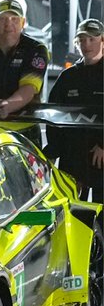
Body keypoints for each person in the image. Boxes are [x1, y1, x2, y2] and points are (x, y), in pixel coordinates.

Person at [45, 18, 103, 201]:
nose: (87, 44)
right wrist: (54, 151)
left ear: (102, 40)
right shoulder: (68, 77)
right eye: (82, 40)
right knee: (72, 210)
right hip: (74, 156)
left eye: (92, 39)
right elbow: (53, 115)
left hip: (100, 154)